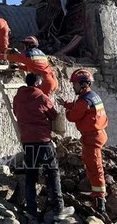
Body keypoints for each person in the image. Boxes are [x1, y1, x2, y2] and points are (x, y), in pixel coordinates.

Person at [13, 73, 75, 222]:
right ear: (38, 84)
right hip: (43, 142)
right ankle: (59, 209)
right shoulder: (41, 97)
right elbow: (53, 115)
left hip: (28, 142)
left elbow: (16, 112)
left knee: (31, 175)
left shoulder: (17, 98)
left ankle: (31, 211)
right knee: (52, 173)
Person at [57, 69, 109, 214]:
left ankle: (100, 199)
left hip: (93, 137)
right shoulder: (91, 96)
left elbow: (73, 116)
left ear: (83, 84)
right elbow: (82, 108)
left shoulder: (83, 100)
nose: (73, 86)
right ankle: (96, 193)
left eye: (74, 84)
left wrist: (67, 111)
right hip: (96, 134)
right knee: (90, 162)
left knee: (95, 166)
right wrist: (67, 104)